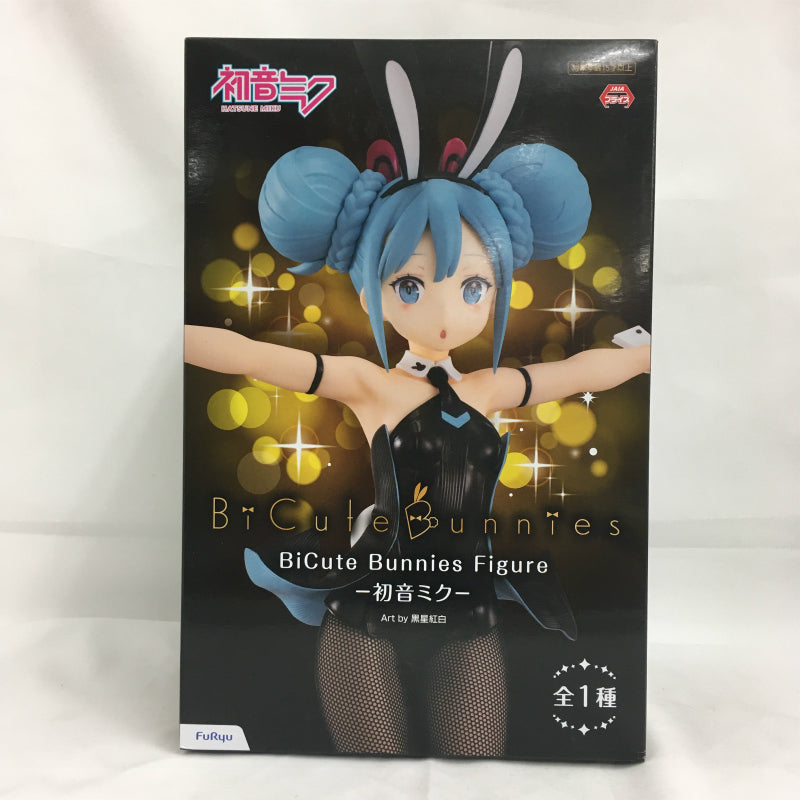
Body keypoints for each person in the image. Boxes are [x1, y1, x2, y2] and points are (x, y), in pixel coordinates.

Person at [184, 53, 650, 757]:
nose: (443, 312)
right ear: (373, 287)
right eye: (409, 286)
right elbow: (254, 357)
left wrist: (643, 355)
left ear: (496, 287)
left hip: (470, 613)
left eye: (472, 288)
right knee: (370, 771)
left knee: (477, 763)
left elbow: (578, 371)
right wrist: (160, 329)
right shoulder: (371, 384)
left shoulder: (489, 389)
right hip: (366, 612)